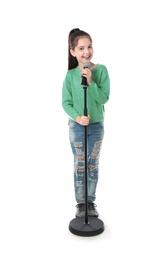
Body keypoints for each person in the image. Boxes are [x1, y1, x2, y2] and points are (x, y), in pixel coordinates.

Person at [62, 28, 110, 218]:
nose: (86, 52)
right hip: (77, 127)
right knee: (80, 163)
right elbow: (66, 102)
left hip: (96, 125)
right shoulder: (70, 75)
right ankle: (81, 203)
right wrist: (77, 117)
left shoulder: (101, 71)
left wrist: (91, 83)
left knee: (93, 163)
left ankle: (90, 201)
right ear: (73, 51)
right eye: (81, 48)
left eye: (89, 46)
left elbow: (104, 98)